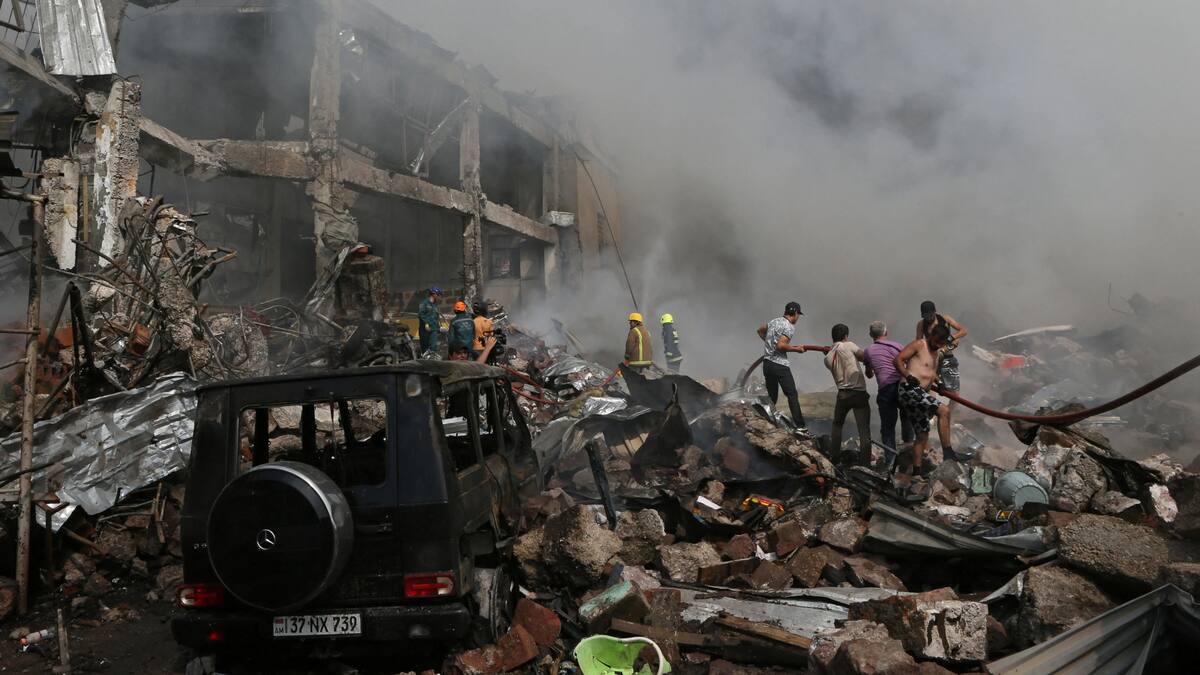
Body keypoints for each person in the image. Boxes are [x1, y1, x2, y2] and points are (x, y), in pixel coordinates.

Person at [894, 321, 955, 477]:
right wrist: (908, 376)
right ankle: (948, 452)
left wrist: (939, 383)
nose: (938, 345)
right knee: (944, 410)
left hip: (920, 395)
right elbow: (898, 360)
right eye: (936, 342)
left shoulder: (936, 353)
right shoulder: (919, 345)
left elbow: (930, 371)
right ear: (932, 336)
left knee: (922, 434)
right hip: (909, 390)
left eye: (941, 344)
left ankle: (917, 473)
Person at [862, 321, 914, 468]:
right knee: (907, 418)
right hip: (901, 386)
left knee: (888, 427)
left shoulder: (868, 351)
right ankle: (909, 454)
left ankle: (890, 461)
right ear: (886, 333)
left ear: (871, 335)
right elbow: (908, 363)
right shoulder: (897, 346)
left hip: (885, 390)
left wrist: (870, 365)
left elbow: (869, 375)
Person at [756, 302, 809, 432]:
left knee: (772, 396)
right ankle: (801, 427)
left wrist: (769, 343)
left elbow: (760, 330)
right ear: (795, 313)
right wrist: (797, 349)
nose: (798, 318)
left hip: (767, 364)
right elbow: (781, 345)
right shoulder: (789, 326)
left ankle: (766, 421)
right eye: (798, 315)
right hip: (780, 365)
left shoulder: (774, 321)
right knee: (792, 394)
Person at [823, 323, 871, 464]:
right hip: (859, 394)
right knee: (864, 430)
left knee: (837, 425)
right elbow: (864, 357)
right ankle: (865, 463)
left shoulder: (827, 358)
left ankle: (834, 458)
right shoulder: (849, 345)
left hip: (843, 395)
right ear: (845, 336)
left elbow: (836, 360)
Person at [914, 300, 968, 400]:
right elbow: (918, 343)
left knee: (954, 393)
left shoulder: (945, 319)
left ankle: (950, 413)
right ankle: (935, 413)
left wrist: (951, 338)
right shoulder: (921, 324)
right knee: (929, 388)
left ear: (935, 312)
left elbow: (963, 331)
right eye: (925, 316)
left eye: (930, 315)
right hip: (931, 359)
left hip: (947, 357)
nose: (928, 318)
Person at [418, 287, 443, 354]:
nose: (439, 297)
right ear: (433, 294)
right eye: (438, 295)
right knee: (425, 347)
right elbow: (421, 314)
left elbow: (436, 317)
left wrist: (439, 327)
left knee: (433, 347)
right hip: (425, 329)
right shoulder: (424, 303)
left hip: (433, 329)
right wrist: (426, 323)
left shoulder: (435, 305)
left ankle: (433, 360)